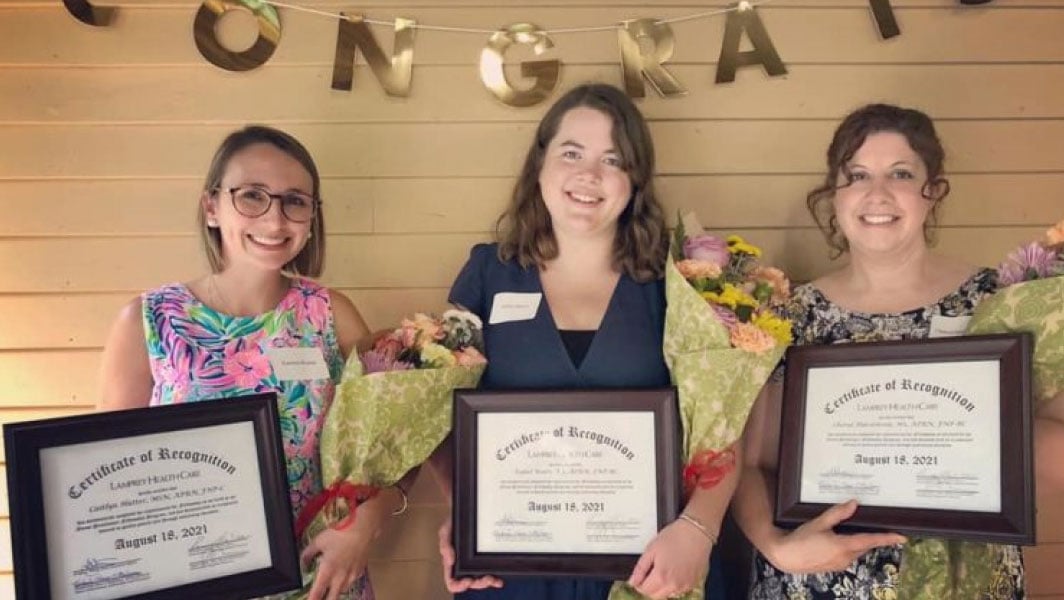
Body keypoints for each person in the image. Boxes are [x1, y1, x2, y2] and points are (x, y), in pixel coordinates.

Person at [431, 83, 735, 600]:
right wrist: (467, 512)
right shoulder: (487, 273)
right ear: (541, 162)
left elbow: (725, 426)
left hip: (653, 566)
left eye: (612, 160)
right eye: (572, 152)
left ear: (634, 179)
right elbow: (436, 414)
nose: (589, 175)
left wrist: (698, 530)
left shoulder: (677, 282)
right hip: (515, 570)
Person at [98, 125, 406, 600]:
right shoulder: (149, 321)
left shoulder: (331, 313)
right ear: (211, 207)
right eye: (252, 196)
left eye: (295, 201)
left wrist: (368, 524)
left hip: (320, 581)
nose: (275, 219)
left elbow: (396, 439)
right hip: (196, 583)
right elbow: (113, 481)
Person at [732, 104, 1026, 598]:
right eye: (858, 175)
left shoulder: (995, 302)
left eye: (902, 174)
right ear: (834, 194)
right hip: (819, 580)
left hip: (963, 580)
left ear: (933, 191)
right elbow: (746, 461)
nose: (878, 194)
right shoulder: (791, 315)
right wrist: (776, 545)